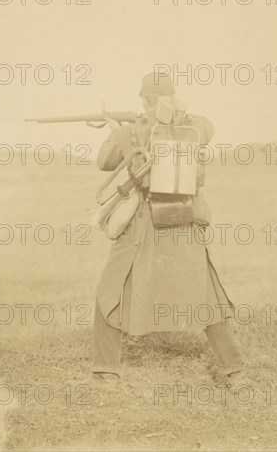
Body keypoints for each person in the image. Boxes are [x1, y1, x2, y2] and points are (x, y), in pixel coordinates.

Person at [89, 72, 244, 390]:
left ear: (143, 99)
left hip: (143, 223)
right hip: (185, 220)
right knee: (208, 297)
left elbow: (104, 161)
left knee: (109, 291)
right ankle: (237, 374)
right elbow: (207, 127)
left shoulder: (131, 132)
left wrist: (117, 130)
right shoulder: (194, 127)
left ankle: (105, 375)